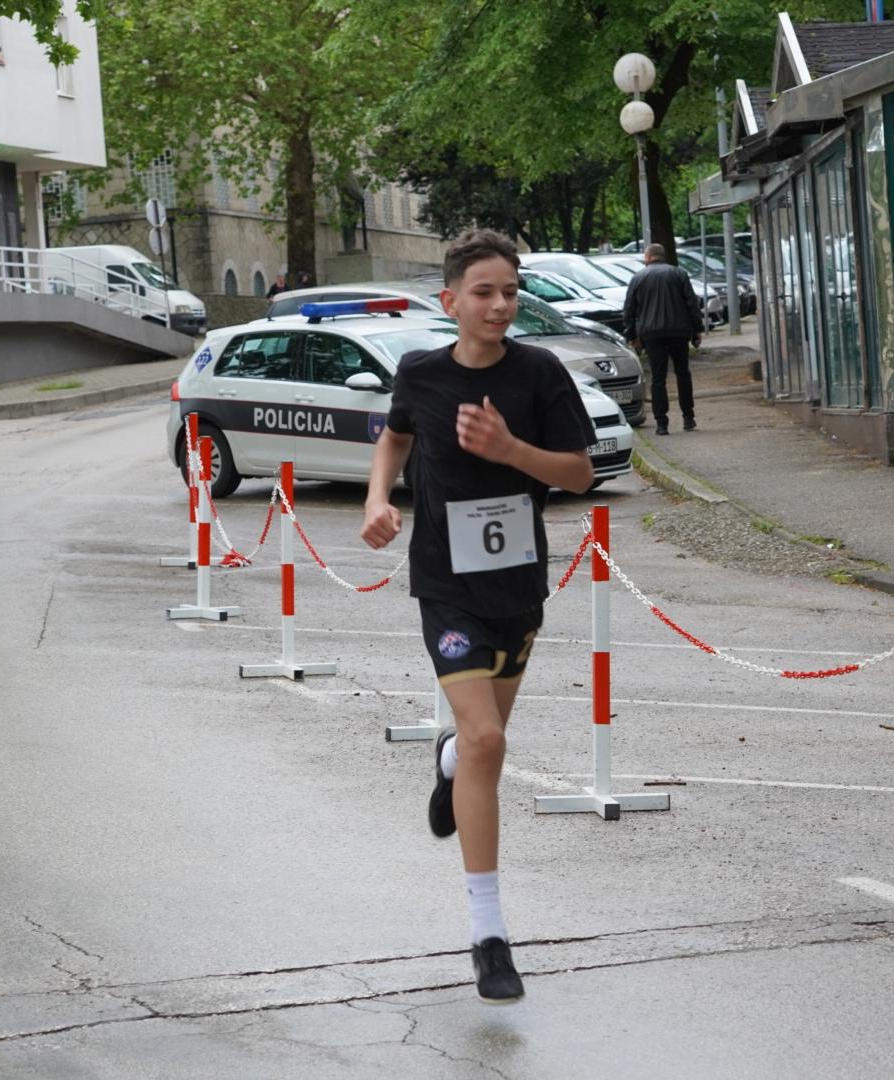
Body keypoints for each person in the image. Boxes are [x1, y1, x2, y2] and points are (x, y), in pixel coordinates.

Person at [361, 228, 595, 1004]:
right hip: (445, 583)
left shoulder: (539, 372)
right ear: (451, 301)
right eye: (484, 292)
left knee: (478, 742)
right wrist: (377, 501)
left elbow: (580, 472)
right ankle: (489, 936)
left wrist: (510, 449)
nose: (500, 304)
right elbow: (393, 440)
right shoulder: (422, 373)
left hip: (517, 586)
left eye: (510, 291)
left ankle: (451, 763)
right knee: (490, 737)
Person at [622, 243, 704, 435]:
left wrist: (632, 335)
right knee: (683, 374)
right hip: (679, 332)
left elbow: (629, 310)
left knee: (658, 378)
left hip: (652, 334)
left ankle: (662, 423)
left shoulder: (638, 278)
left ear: (649, 257)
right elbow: (692, 304)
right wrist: (696, 331)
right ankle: (688, 417)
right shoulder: (679, 274)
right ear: (663, 256)